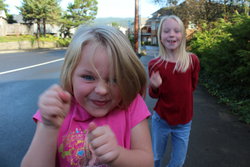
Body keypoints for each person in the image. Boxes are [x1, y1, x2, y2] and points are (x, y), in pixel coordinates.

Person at [21, 25, 153, 167]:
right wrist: (49, 128)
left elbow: (147, 161)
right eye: (88, 77)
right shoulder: (55, 109)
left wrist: (118, 155)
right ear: (70, 73)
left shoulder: (132, 104)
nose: (102, 90)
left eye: (115, 79)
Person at [148, 15, 200, 167]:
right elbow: (153, 95)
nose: (171, 34)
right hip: (161, 119)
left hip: (184, 121)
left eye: (177, 31)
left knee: (178, 161)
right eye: (167, 31)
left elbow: (192, 86)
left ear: (182, 36)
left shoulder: (192, 60)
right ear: (160, 36)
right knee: (156, 157)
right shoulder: (155, 64)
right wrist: (155, 86)